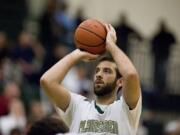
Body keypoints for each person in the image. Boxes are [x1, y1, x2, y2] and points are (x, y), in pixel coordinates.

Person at [40, 23, 142, 135]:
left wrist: (111, 45)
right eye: (97, 70)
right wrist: (78, 54)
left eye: (107, 71)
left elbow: (131, 75)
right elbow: (47, 81)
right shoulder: (77, 106)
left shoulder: (125, 109)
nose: (99, 74)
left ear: (120, 81)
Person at [151, 19, 176, 93]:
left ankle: (160, 87)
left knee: (161, 72)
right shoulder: (162, 35)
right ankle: (160, 87)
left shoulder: (159, 35)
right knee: (160, 72)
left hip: (162, 56)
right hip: (161, 55)